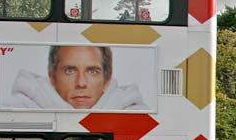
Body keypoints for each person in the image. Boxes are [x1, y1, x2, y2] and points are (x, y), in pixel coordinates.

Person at [8, 45, 147, 110]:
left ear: (107, 80)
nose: (81, 83)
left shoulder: (134, 111)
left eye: (92, 71)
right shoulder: (18, 107)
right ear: (52, 78)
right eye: (70, 71)